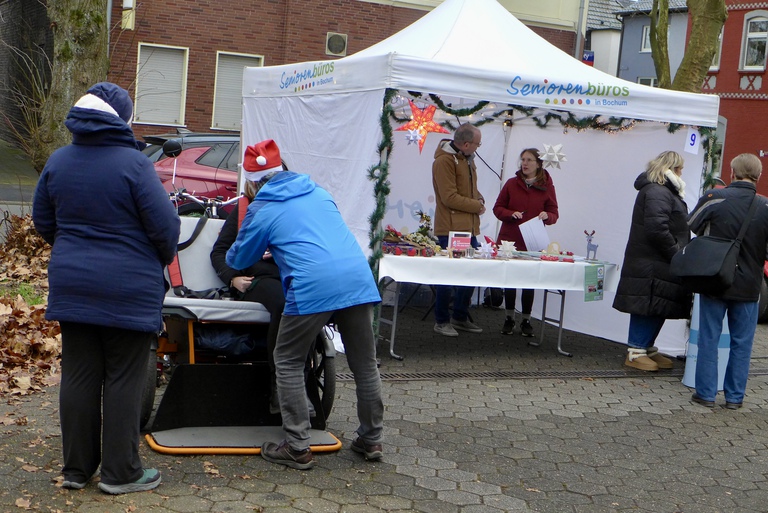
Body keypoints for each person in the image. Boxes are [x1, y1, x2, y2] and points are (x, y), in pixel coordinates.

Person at [32, 82, 180, 494]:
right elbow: (165, 229)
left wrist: (73, 249)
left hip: (73, 286)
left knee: (78, 375)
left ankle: (77, 470)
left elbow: (43, 221)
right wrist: (155, 257)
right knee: (123, 377)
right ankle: (121, 473)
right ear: (121, 120)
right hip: (127, 290)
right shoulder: (134, 166)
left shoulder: (58, 162)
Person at [226, 140, 383, 470]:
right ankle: (371, 439)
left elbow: (240, 257)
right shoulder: (318, 192)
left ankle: (297, 446)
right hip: (357, 279)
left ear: (252, 182)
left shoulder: (262, 207)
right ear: (283, 169)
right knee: (365, 364)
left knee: (287, 360)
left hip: (313, 286)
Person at [688, 153, 768, 408]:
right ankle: (734, 398)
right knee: (742, 344)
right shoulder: (766, 206)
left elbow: (691, 224)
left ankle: (706, 394)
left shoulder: (715, 197)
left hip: (714, 279)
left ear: (732, 172)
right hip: (749, 285)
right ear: (759, 175)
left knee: (709, 338)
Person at [210, 145, 285, 414]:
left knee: (303, 302)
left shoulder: (288, 208)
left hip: (286, 276)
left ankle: (298, 379)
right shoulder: (243, 210)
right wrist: (233, 279)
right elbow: (219, 252)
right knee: (284, 304)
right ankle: (279, 384)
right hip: (256, 280)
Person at [612, 150, 691, 372]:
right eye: (680, 168)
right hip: (653, 262)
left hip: (656, 261)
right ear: (672, 168)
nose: (682, 172)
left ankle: (646, 348)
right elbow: (657, 229)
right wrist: (677, 253)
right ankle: (636, 350)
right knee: (647, 303)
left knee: (656, 304)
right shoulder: (658, 191)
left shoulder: (662, 191)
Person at [492, 148, 559, 337]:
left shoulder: (547, 186)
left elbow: (554, 213)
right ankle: (509, 317)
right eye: (522, 159)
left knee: (529, 281)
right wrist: (509, 214)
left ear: (538, 163)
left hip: (532, 240)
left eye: (529, 160)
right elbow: (497, 208)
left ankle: (526, 320)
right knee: (511, 280)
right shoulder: (512, 184)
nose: (525, 163)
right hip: (510, 239)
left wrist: (548, 216)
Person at [431, 123, 485, 337]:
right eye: (477, 144)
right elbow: (449, 197)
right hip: (452, 230)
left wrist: (479, 197)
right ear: (465, 143)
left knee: (471, 273)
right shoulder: (444, 161)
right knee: (450, 275)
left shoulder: (466, 160)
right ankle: (442, 320)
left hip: (468, 229)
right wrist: (476, 206)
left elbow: (467, 190)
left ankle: (460, 317)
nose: (478, 148)